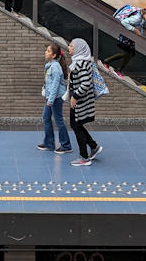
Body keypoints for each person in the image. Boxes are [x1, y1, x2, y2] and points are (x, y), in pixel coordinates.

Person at [67, 37, 101, 167]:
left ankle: (84, 157)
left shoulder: (80, 63)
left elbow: (86, 83)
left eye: (71, 46)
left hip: (79, 102)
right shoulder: (82, 61)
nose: (69, 48)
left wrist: (75, 96)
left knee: (76, 125)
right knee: (77, 125)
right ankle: (93, 146)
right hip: (81, 101)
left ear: (79, 49)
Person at [37, 44, 72, 154]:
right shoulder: (49, 65)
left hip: (55, 98)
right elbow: (48, 82)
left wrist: (50, 100)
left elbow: (55, 85)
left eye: (48, 51)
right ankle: (49, 143)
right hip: (50, 97)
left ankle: (66, 145)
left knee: (59, 120)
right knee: (46, 118)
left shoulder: (55, 67)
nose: (45, 52)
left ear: (54, 55)